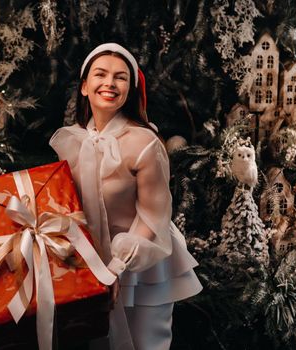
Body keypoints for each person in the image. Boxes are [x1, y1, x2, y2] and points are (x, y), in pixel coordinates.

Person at [50, 43, 202, 350]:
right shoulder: (72, 140)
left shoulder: (145, 143)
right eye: (100, 74)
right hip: (93, 263)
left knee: (145, 344)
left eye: (120, 77)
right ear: (84, 86)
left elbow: (153, 216)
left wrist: (116, 268)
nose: (109, 83)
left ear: (130, 89)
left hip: (141, 261)